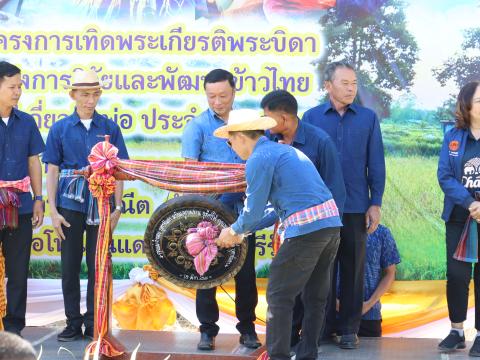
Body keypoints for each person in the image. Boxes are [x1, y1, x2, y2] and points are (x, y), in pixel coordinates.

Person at [215, 109, 341, 360]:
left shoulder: (258, 159)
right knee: (315, 297)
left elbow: (252, 212)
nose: (231, 147)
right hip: (331, 225)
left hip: (306, 230)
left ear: (240, 137)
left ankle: (278, 356)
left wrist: (233, 231)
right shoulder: (284, 150)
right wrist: (242, 231)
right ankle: (308, 355)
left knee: (279, 295)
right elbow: (272, 212)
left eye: (230, 141)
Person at [302, 61, 386, 349]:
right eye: (345, 83)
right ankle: (321, 328)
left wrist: (375, 203)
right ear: (328, 86)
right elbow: (303, 164)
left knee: (352, 269)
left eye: (354, 83)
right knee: (320, 270)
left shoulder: (367, 119)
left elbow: (376, 163)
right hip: (319, 208)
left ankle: (349, 329)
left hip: (354, 206)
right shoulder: (311, 118)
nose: (351, 88)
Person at [43, 69, 129, 342]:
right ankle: (72, 322)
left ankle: (94, 322)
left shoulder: (110, 128)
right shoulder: (60, 128)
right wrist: (53, 211)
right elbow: (53, 170)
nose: (90, 100)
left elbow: (120, 170)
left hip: (102, 204)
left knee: (98, 265)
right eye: (84, 94)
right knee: (69, 266)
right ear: (73, 95)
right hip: (69, 203)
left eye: (94, 94)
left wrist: (117, 208)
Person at [181, 69, 260, 350]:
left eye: (223, 95)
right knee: (207, 272)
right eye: (211, 96)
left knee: (245, 273)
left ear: (234, 93)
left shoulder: (246, 124)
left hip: (244, 211)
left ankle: (247, 328)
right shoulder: (197, 127)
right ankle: (207, 330)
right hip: (209, 216)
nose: (217, 101)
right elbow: (188, 174)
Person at [259, 89, 345, 347]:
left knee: (312, 295)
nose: (265, 123)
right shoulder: (269, 140)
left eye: (268, 117)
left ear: (284, 118)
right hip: (286, 227)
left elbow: (335, 191)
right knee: (287, 293)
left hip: (316, 230)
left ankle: (307, 348)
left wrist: (328, 232)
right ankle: (290, 343)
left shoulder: (320, 142)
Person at [0, 61, 45, 336]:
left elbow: (33, 161)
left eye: (20, 86)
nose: (17, 92)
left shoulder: (26, 121)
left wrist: (39, 198)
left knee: (17, 270)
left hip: (19, 205)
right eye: (11, 87)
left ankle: (14, 329)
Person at [437, 80, 480, 356]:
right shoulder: (453, 136)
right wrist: (470, 203)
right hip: (458, 215)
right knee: (456, 275)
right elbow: (445, 175)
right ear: (467, 106)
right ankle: (456, 330)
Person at [337, 224, 400, 337]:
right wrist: (334, 303)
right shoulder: (334, 230)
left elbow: (390, 273)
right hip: (333, 316)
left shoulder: (382, 233)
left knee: (371, 354)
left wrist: (368, 304)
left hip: (369, 315)